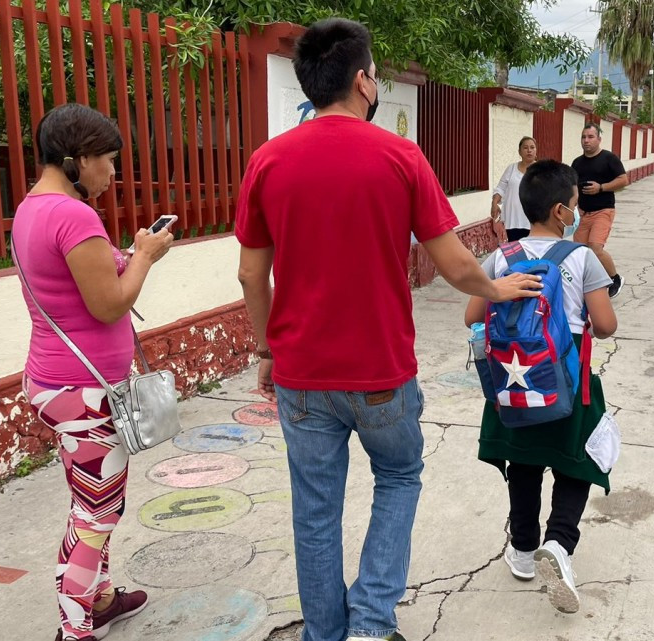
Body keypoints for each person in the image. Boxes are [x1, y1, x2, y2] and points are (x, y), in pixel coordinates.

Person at [234, 18, 542, 641]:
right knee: (399, 476)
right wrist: (499, 286)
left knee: (314, 514)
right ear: (362, 81)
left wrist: (267, 348)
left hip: (300, 376)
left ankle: (325, 633)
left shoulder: (268, 161)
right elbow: (455, 263)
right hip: (379, 373)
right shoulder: (400, 155)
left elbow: (249, 275)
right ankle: (372, 624)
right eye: (375, 74)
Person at [13, 103, 173, 641]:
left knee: (92, 499)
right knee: (98, 513)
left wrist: (130, 254)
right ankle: (76, 624)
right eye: (106, 161)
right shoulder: (75, 214)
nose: (112, 173)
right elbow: (108, 305)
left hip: (55, 382)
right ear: (76, 159)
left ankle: (100, 599)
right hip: (82, 394)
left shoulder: (33, 208)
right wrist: (146, 259)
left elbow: (79, 284)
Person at [463, 160, 619, 614]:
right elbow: (605, 326)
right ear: (558, 211)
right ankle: (561, 544)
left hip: (516, 379)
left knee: (525, 459)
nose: (576, 212)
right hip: (567, 378)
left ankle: (525, 550)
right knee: (577, 461)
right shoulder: (582, 257)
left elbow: (472, 316)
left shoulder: (501, 258)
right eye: (574, 205)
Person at [571, 123, 629, 298]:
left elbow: (623, 180)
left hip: (603, 210)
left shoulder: (609, 158)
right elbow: (572, 186)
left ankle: (615, 279)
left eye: (590, 137)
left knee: (595, 247)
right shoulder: (577, 162)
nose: (586, 140)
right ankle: (586, 283)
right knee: (579, 251)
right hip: (582, 213)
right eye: (583, 137)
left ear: (599, 139)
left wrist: (601, 187)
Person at [491, 136, 539, 242]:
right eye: (525, 148)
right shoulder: (511, 169)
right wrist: (494, 203)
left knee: (531, 253)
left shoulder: (541, 170)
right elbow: (500, 188)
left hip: (534, 220)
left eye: (532, 147)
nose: (529, 150)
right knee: (516, 251)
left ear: (536, 151)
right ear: (519, 151)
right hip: (513, 219)